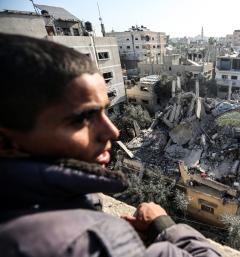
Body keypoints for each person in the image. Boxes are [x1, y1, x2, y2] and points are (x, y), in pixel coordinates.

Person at [0, 33, 221, 257]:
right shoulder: (95, 242)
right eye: (81, 119)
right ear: (6, 141)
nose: (113, 132)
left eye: (104, 111)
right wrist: (164, 227)